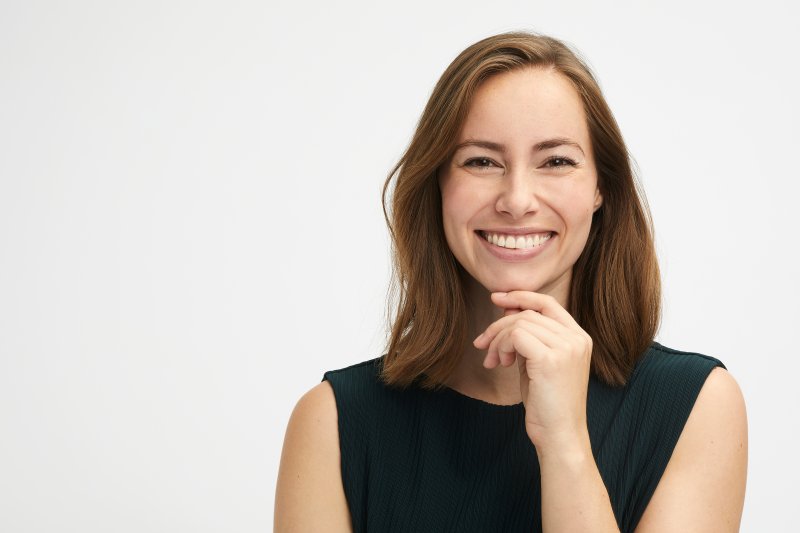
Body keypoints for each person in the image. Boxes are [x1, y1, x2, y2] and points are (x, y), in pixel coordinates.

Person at [274, 31, 747, 532]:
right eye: (481, 161)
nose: (517, 199)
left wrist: (565, 442)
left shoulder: (698, 407)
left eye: (557, 162)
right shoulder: (332, 422)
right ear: (438, 184)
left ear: (600, 188)